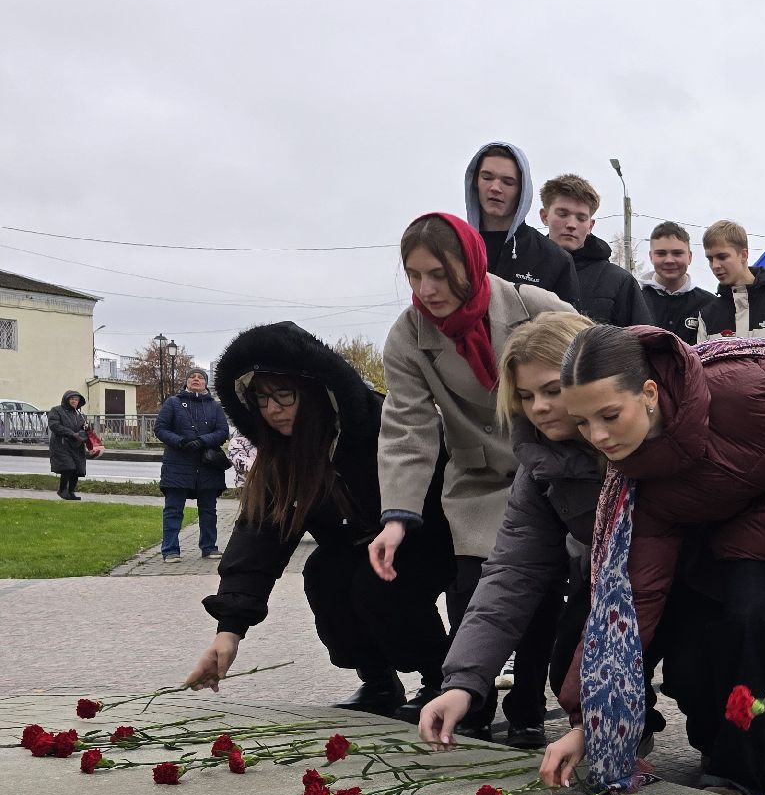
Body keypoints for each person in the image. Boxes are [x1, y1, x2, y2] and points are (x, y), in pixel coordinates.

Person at [535, 324, 765, 795]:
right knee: (742, 619)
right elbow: (632, 600)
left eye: (609, 415)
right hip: (744, 525)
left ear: (648, 392)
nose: (598, 437)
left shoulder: (744, 381)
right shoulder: (639, 480)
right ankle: (737, 769)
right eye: (582, 423)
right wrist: (590, 721)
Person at [184, 322, 453, 715]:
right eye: (262, 399)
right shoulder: (284, 456)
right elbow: (259, 536)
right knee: (324, 573)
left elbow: (432, 477)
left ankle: (440, 679)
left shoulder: (377, 423)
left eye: (284, 395)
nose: (272, 410)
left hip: (423, 534)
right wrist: (230, 631)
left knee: (376, 586)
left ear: (314, 391)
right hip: (355, 544)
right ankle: (378, 681)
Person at [372, 211, 575, 732]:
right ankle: (470, 707)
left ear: (470, 264)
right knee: (470, 592)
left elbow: (595, 365)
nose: (426, 289)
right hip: (479, 480)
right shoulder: (409, 336)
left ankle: (527, 708)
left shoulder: (532, 305)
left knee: (543, 585)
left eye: (439, 274)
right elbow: (406, 426)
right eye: (415, 276)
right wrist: (397, 517)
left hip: (550, 468)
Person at [418, 312, 601, 750]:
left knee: (701, 663)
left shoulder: (634, 440)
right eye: (525, 395)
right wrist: (462, 682)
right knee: (568, 672)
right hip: (600, 576)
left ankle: (731, 772)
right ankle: (615, 734)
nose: (538, 407)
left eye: (553, 390)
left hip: (685, 577)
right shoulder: (539, 464)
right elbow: (512, 571)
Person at [464, 142, 580, 306]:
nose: (495, 187)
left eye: (508, 182)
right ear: (475, 181)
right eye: (487, 177)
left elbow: (569, 328)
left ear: (522, 189)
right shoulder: (453, 249)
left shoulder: (554, 259)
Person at [540, 174, 650, 327]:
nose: (571, 224)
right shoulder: (522, 267)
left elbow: (643, 343)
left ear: (590, 225)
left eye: (581, 218)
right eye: (563, 214)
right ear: (544, 216)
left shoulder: (619, 281)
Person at [155, 367, 230, 563]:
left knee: (208, 511)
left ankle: (209, 547)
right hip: (178, 464)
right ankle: (170, 549)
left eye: (200, 377)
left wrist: (203, 441)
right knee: (173, 510)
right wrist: (180, 441)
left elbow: (223, 431)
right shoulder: (173, 403)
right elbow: (160, 428)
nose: (196, 379)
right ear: (186, 381)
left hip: (207, 466)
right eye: (192, 377)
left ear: (205, 383)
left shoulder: (214, 406)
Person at [642, 222, 714, 344]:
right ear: (651, 256)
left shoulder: (709, 305)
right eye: (661, 253)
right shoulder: (635, 299)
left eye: (677, 253)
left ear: (690, 257)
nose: (669, 260)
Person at [47, 389, 90, 500]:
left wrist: (87, 430)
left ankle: (71, 492)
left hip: (76, 446)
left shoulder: (80, 414)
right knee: (68, 467)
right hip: (61, 444)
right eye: (71, 399)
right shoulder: (56, 410)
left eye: (76, 399)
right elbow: (55, 426)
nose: (74, 401)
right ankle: (62, 490)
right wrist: (72, 434)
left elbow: (84, 429)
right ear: (66, 400)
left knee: (77, 469)